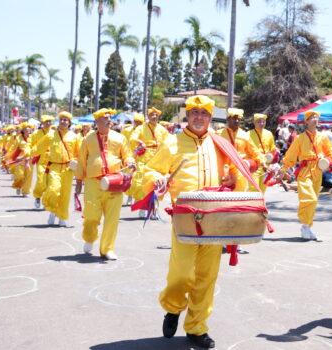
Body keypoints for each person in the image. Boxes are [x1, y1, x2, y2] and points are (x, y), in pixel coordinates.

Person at [142, 95, 240, 349]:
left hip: (214, 219)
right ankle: (173, 308)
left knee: (207, 277)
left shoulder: (219, 143)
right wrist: (158, 179)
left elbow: (234, 170)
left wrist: (231, 179)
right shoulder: (172, 143)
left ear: (210, 117)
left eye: (204, 113)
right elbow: (150, 170)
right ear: (187, 115)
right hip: (185, 219)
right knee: (181, 273)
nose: (199, 117)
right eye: (194, 112)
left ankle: (197, 328)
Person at [75, 108, 135, 260]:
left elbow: (127, 155)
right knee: (91, 215)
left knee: (112, 218)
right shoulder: (88, 138)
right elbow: (82, 160)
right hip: (93, 183)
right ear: (97, 122)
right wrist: (79, 181)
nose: (109, 120)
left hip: (114, 182)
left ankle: (107, 249)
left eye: (110, 118)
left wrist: (130, 162)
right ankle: (89, 238)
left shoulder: (120, 138)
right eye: (105, 118)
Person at [280, 110, 332, 240]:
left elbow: (331, 150)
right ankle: (304, 225)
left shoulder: (322, 137)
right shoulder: (300, 138)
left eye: (317, 118)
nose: (315, 120)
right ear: (306, 121)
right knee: (309, 198)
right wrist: (283, 168)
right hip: (305, 171)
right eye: (312, 117)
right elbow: (291, 155)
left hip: (318, 171)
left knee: (314, 201)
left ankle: (307, 226)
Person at [36, 111, 80, 227]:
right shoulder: (51, 135)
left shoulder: (74, 136)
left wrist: (75, 161)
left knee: (65, 194)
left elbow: (79, 153)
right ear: (58, 121)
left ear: (69, 123)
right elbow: (39, 147)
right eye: (61, 119)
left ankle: (62, 217)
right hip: (54, 167)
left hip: (68, 169)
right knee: (53, 189)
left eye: (66, 120)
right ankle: (52, 210)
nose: (63, 121)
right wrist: (27, 155)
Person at [216, 108, 263, 191]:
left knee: (239, 198)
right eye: (234, 118)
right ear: (228, 119)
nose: (237, 121)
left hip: (240, 174)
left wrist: (263, 163)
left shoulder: (245, 135)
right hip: (223, 173)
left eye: (239, 119)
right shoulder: (218, 134)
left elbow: (255, 152)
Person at [30, 115, 55, 209]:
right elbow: (31, 146)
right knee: (41, 180)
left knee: (50, 182)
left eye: (50, 121)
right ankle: (37, 196)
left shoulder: (55, 133)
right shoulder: (36, 133)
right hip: (41, 160)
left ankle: (46, 200)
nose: (48, 123)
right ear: (42, 123)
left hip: (53, 160)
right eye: (46, 121)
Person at [249, 113, 276, 193]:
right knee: (253, 189)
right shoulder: (248, 134)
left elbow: (273, 150)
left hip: (266, 167)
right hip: (254, 166)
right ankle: (253, 205)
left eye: (263, 121)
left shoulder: (269, 134)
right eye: (259, 121)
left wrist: (271, 164)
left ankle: (260, 205)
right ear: (254, 122)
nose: (261, 123)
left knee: (263, 189)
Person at [9, 122, 34, 197]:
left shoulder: (32, 138)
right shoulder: (18, 138)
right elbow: (14, 148)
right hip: (20, 160)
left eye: (29, 130)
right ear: (23, 131)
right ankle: (19, 186)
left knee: (28, 176)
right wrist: (11, 157)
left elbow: (35, 147)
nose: (27, 132)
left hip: (29, 160)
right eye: (26, 130)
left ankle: (25, 192)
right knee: (19, 175)